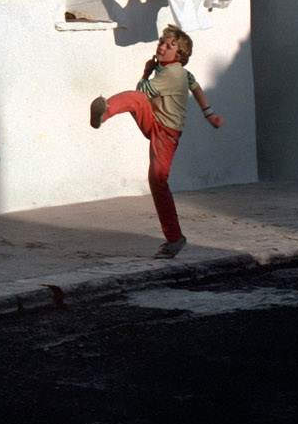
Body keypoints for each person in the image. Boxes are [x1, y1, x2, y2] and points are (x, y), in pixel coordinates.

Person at [89, 24, 222, 258]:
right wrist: (209, 113)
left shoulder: (171, 74)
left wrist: (146, 72)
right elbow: (196, 86)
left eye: (170, 46)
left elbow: (144, 88)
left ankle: (175, 238)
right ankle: (104, 112)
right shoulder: (179, 71)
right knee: (137, 99)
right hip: (156, 122)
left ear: (179, 55)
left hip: (166, 134)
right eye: (162, 42)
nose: (163, 46)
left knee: (158, 182)